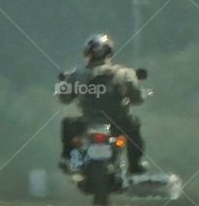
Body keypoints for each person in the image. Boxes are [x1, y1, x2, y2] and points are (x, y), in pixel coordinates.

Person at [57, 33, 147, 174]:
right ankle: (136, 164)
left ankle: (67, 159)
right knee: (133, 125)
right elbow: (138, 99)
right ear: (109, 52)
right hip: (118, 123)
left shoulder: (75, 74)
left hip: (87, 122)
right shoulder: (125, 73)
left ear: (87, 53)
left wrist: (65, 84)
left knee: (68, 125)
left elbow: (64, 99)